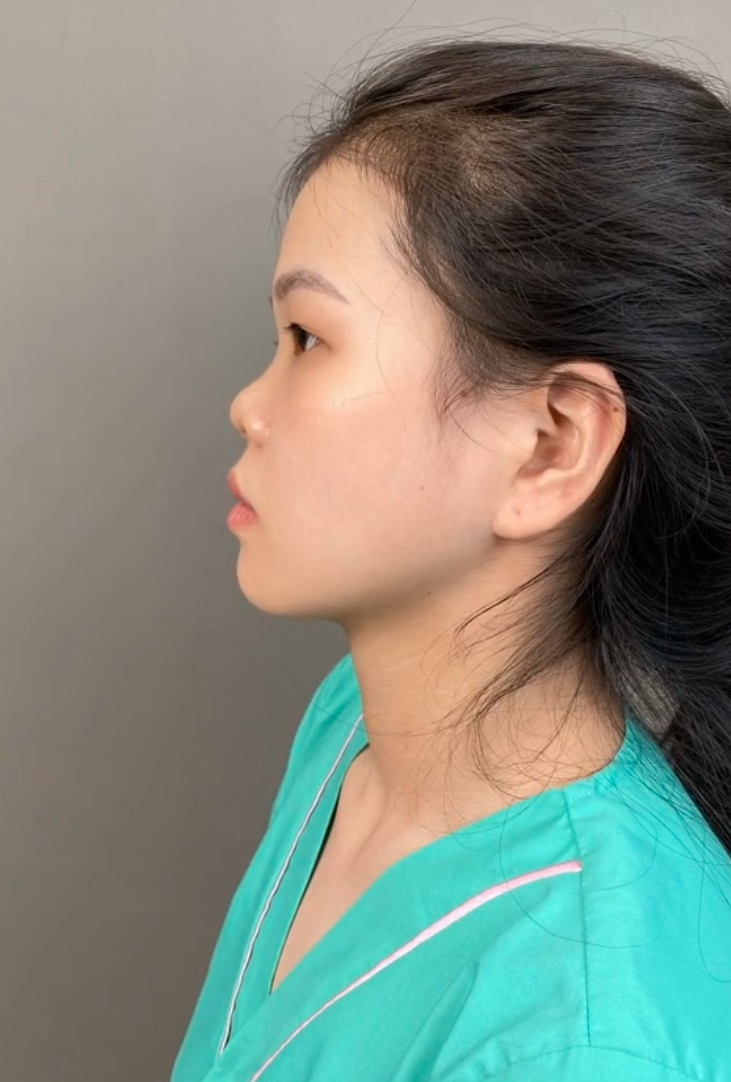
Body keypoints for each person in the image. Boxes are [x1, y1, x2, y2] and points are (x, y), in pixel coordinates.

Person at [170, 35, 731, 1082]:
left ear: (549, 444)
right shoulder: (357, 723)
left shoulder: (587, 1044)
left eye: (308, 339)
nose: (247, 405)